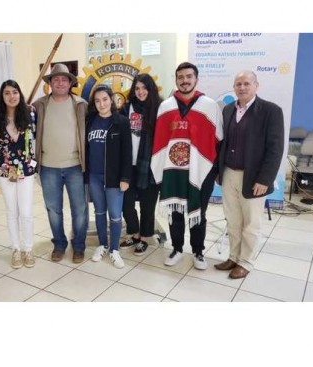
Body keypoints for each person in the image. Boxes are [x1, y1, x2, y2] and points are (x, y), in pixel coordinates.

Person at [151, 62, 222, 270]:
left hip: (201, 171)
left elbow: (218, 140)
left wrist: (215, 170)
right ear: (176, 80)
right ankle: (177, 249)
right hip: (172, 170)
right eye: (180, 77)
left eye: (189, 76)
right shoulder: (166, 106)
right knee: (175, 211)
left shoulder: (209, 105)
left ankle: (198, 252)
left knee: (199, 212)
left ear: (196, 79)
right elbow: (159, 142)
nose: (185, 81)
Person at [215, 71, 285, 278]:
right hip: (229, 173)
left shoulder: (271, 111)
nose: (242, 87)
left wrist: (265, 179)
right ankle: (233, 257)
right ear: (234, 87)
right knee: (233, 220)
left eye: (246, 83)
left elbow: (275, 149)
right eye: (238, 84)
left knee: (251, 223)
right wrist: (219, 171)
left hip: (254, 177)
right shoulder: (228, 109)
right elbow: (222, 143)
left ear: (256, 85)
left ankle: (246, 262)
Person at [33, 63, 89, 264]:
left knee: (80, 209)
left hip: (75, 166)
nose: (60, 83)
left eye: (64, 79)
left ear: (70, 83)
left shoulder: (81, 104)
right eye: (55, 79)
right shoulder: (39, 106)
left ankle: (79, 246)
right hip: (48, 167)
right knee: (53, 209)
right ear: (50, 83)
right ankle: (59, 244)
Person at [0, 80, 37, 269]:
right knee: (12, 211)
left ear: (20, 94)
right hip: (5, 171)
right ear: (2, 97)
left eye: (15, 92)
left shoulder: (31, 114)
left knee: (26, 212)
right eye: (7, 93)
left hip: (26, 170)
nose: (12, 96)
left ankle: (28, 249)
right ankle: (16, 249)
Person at [86, 84, 132, 269]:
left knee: (115, 214)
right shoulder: (90, 120)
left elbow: (127, 152)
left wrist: (125, 178)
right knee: (99, 212)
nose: (102, 104)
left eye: (105, 99)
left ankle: (114, 249)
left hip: (114, 177)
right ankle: (103, 245)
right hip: (94, 176)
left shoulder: (121, 122)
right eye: (97, 101)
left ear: (111, 99)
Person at [119, 74, 162, 255]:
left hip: (149, 166)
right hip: (128, 165)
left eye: (144, 88)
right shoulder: (126, 108)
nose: (140, 92)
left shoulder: (159, 109)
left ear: (151, 89)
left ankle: (144, 237)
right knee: (126, 204)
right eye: (137, 88)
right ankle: (134, 233)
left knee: (147, 205)